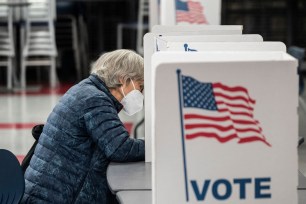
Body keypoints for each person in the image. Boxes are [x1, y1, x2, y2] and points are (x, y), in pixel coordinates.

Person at [21, 49, 145, 204]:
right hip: (51, 198)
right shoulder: (95, 100)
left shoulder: (86, 90)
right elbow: (120, 148)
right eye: (140, 86)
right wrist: (154, 145)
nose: (141, 93)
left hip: (46, 192)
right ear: (123, 79)